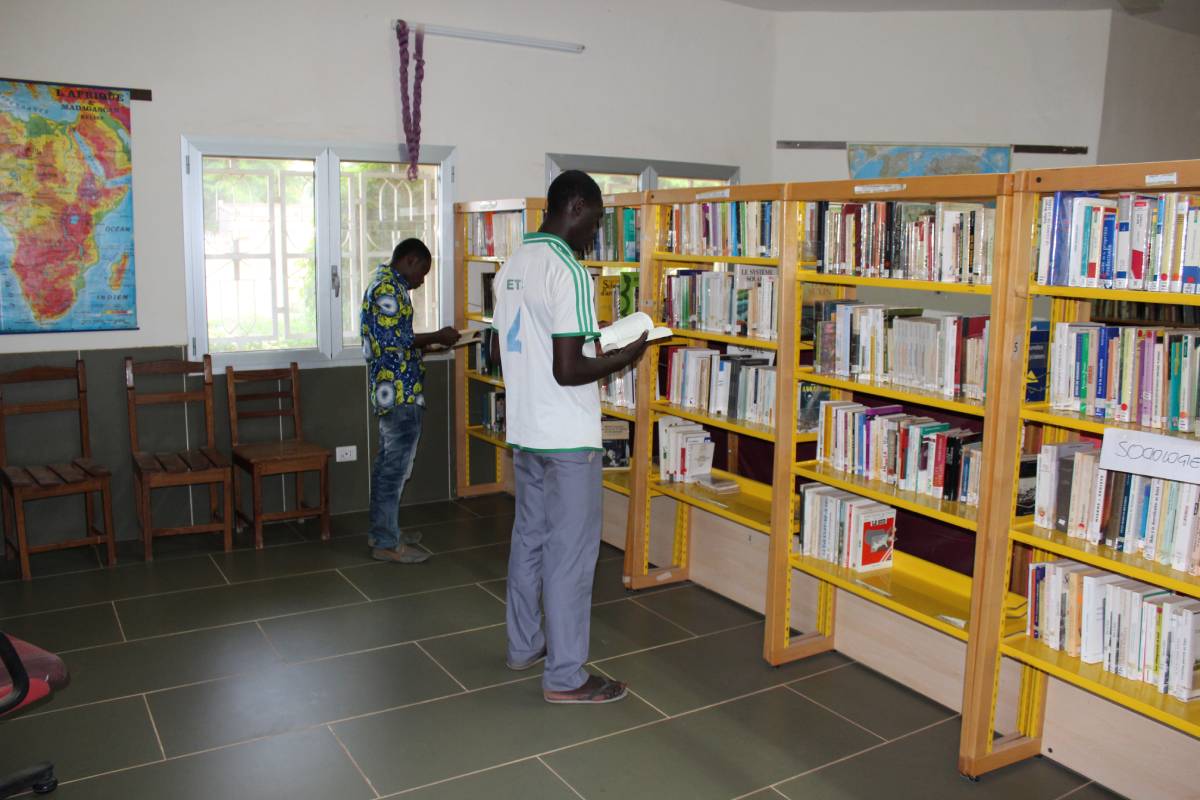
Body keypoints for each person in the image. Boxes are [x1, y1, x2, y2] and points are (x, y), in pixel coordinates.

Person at [490, 171, 650, 703]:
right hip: (567, 436)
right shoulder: (570, 272)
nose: (596, 234)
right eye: (597, 221)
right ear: (576, 208)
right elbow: (568, 368)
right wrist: (626, 355)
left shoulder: (511, 263)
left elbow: (501, 352)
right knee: (572, 555)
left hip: (526, 431)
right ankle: (565, 677)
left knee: (529, 538)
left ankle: (523, 644)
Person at [362, 238, 459, 563]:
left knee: (387, 466)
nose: (422, 280)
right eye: (423, 273)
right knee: (394, 469)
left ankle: (383, 530)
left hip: (397, 387)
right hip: (398, 392)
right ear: (411, 261)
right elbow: (393, 339)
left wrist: (429, 346)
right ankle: (387, 544)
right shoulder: (387, 290)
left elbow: (395, 342)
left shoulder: (388, 285)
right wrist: (436, 336)